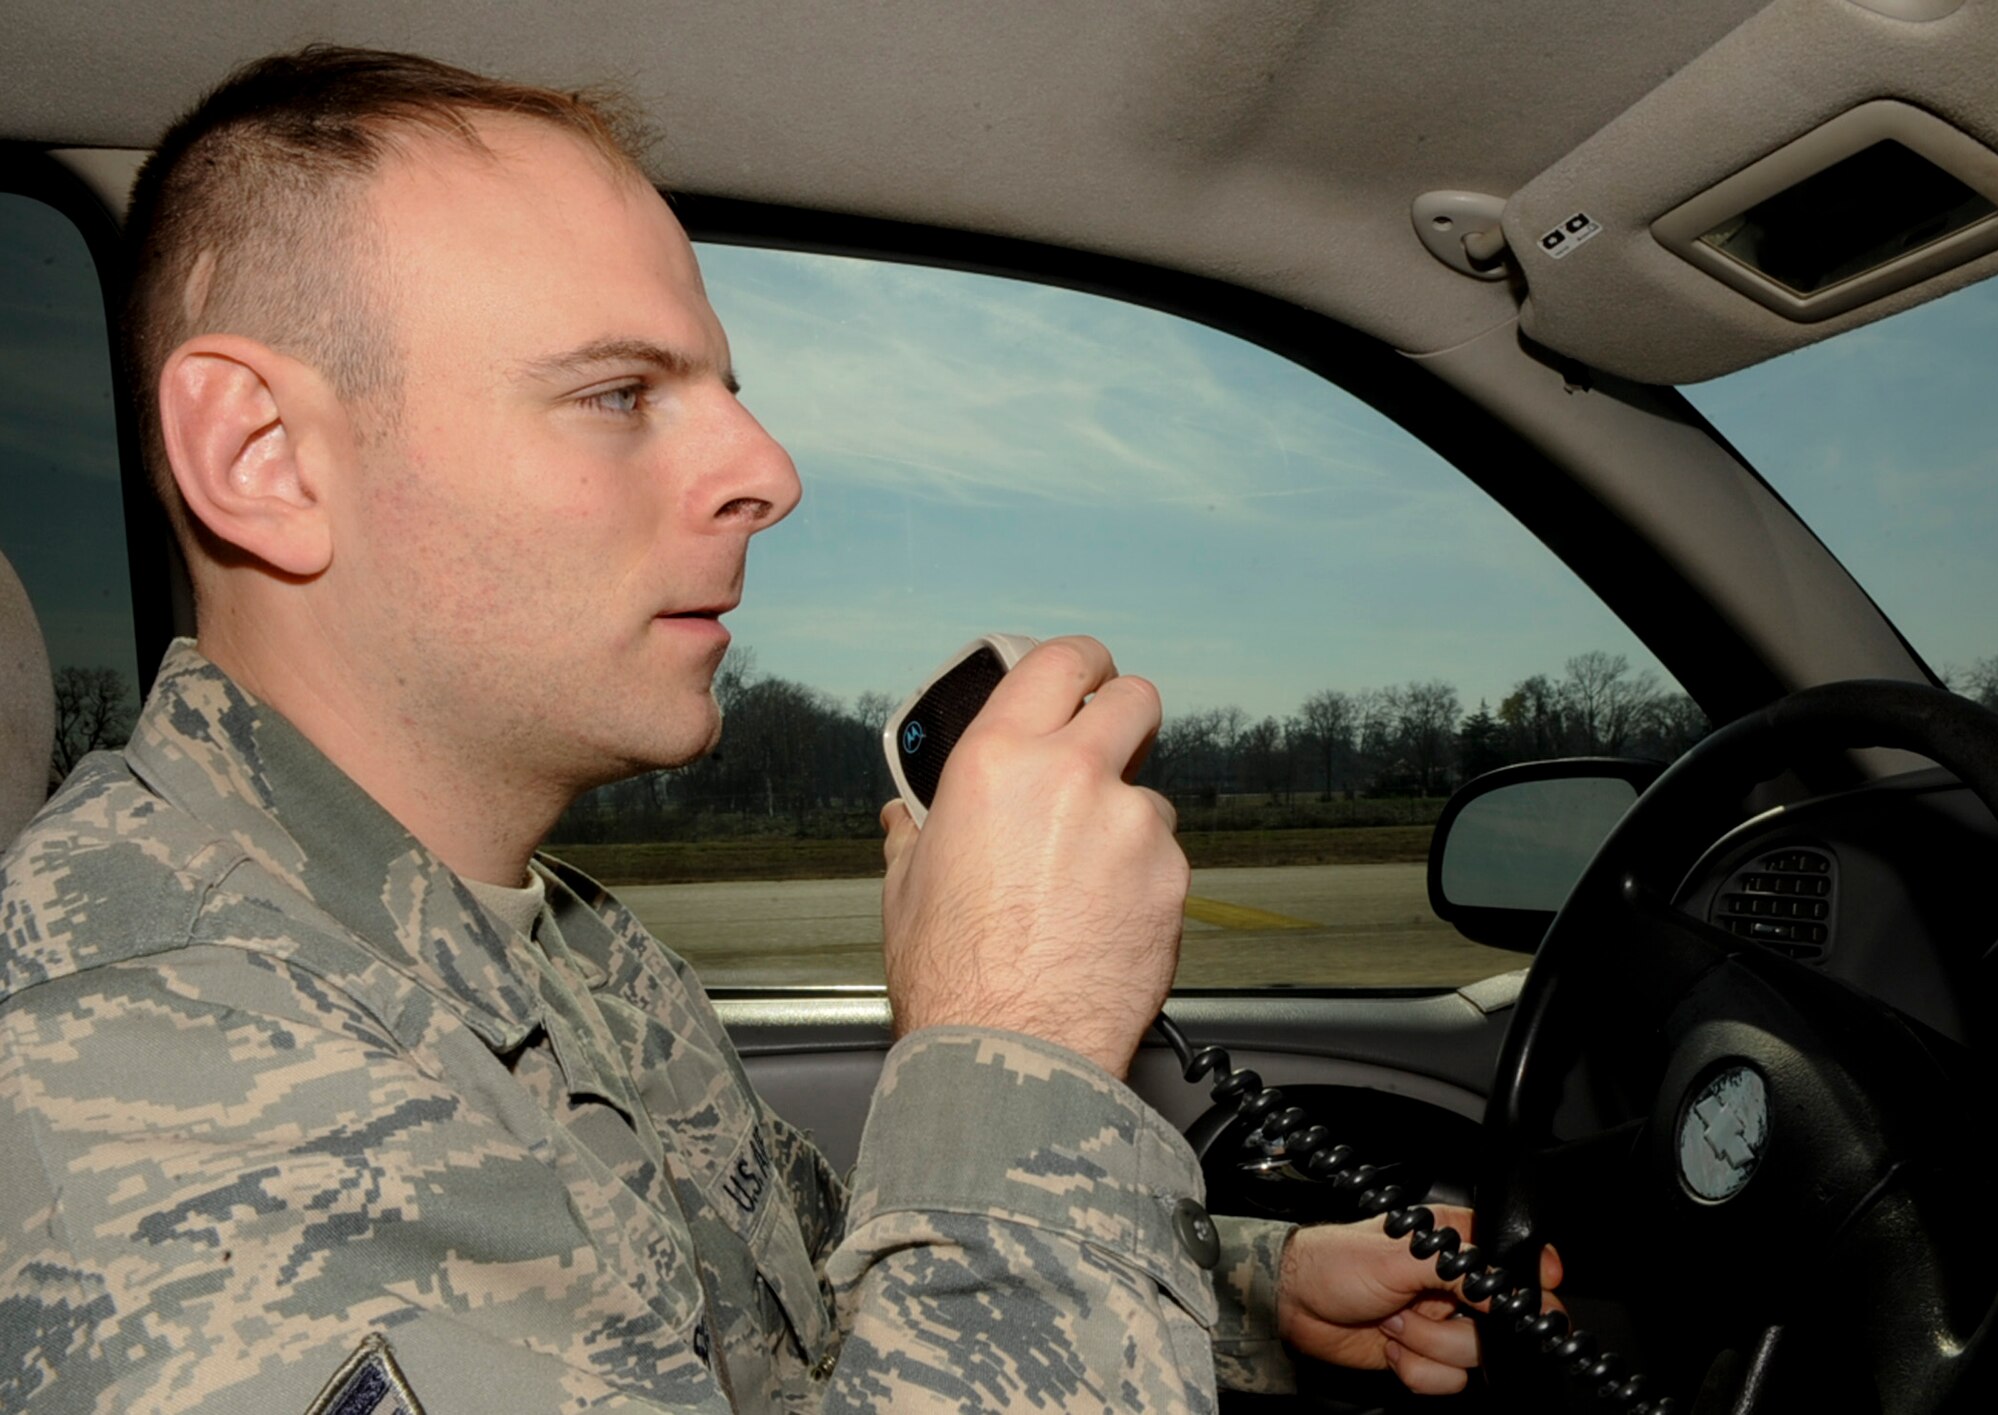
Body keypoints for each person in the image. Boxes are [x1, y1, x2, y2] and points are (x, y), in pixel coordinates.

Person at [0, 47, 1557, 1413]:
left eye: (725, 389)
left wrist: (1251, 1292)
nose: (769, 467)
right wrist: (1014, 1040)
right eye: (619, 393)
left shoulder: (560, 943)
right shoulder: (140, 1101)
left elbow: (799, 1297)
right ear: (263, 455)